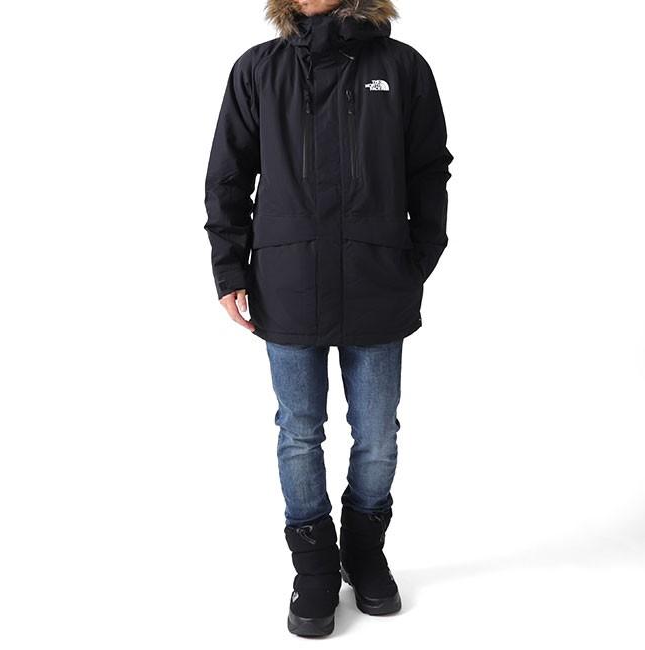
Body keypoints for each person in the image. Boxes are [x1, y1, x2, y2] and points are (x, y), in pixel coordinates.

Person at [204, 0, 452, 637]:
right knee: (298, 430)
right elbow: (228, 174)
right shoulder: (258, 70)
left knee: (378, 433)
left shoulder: (401, 67)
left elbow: (429, 170)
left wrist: (417, 258)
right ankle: (314, 563)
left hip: (378, 278)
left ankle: (364, 550)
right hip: (288, 281)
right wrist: (230, 269)